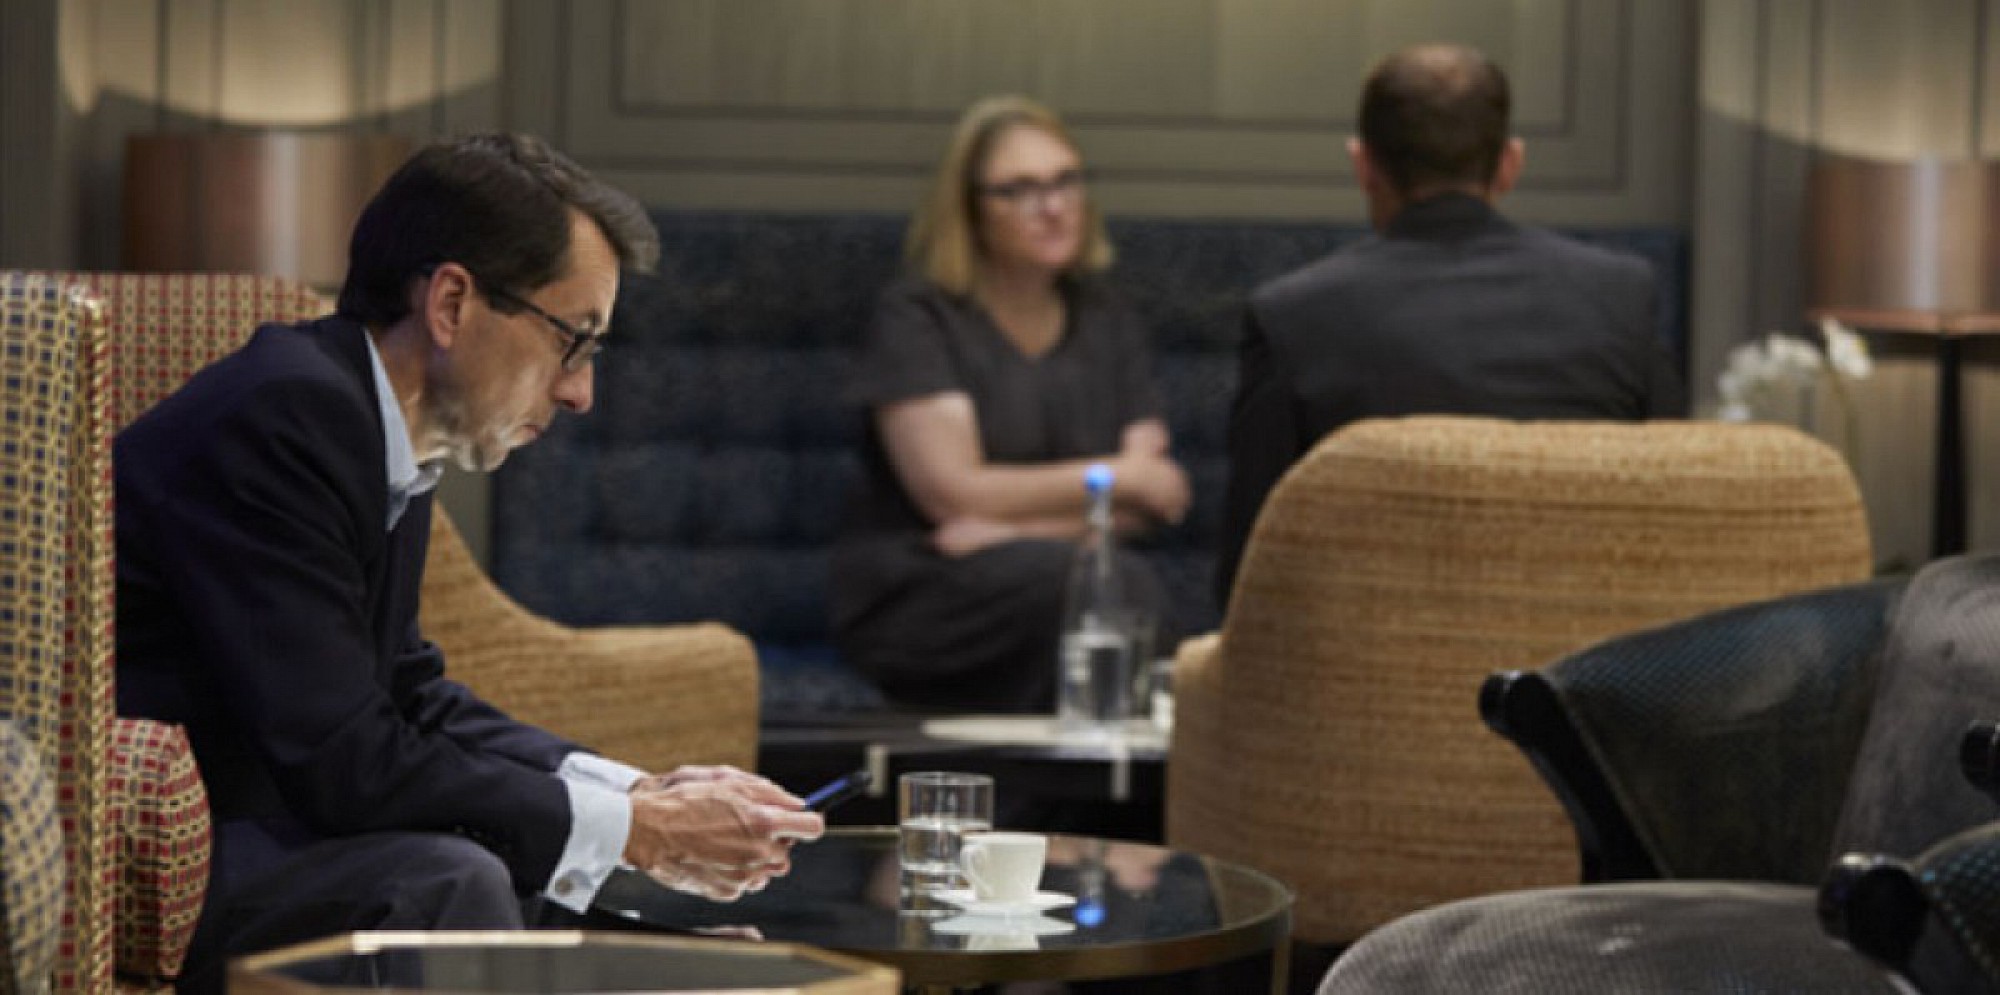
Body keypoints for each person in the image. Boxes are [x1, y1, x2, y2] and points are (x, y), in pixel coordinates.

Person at [114, 133, 824, 994]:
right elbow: (350, 760)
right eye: (573, 340)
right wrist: (639, 830)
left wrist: (640, 792)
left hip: (273, 826)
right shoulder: (285, 416)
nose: (579, 392)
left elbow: (409, 695)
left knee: (527, 874)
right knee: (452, 878)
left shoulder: (376, 430)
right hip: (154, 859)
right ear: (452, 302)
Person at [1215, 43, 1688, 605]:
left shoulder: (1292, 317)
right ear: (1510, 164)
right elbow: (1675, 517)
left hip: (1372, 654)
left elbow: (1250, 578)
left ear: (1363, 166)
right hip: (1583, 653)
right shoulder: (1621, 296)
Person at [830, 96, 1191, 713]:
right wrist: (1119, 477)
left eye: (1065, 181)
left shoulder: (1106, 316)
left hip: (1065, 574)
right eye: (1020, 190)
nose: (1053, 207)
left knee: (1116, 592)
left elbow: (1154, 502)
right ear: (970, 209)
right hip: (928, 589)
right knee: (1105, 590)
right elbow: (954, 497)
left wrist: (1011, 528)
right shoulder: (920, 318)